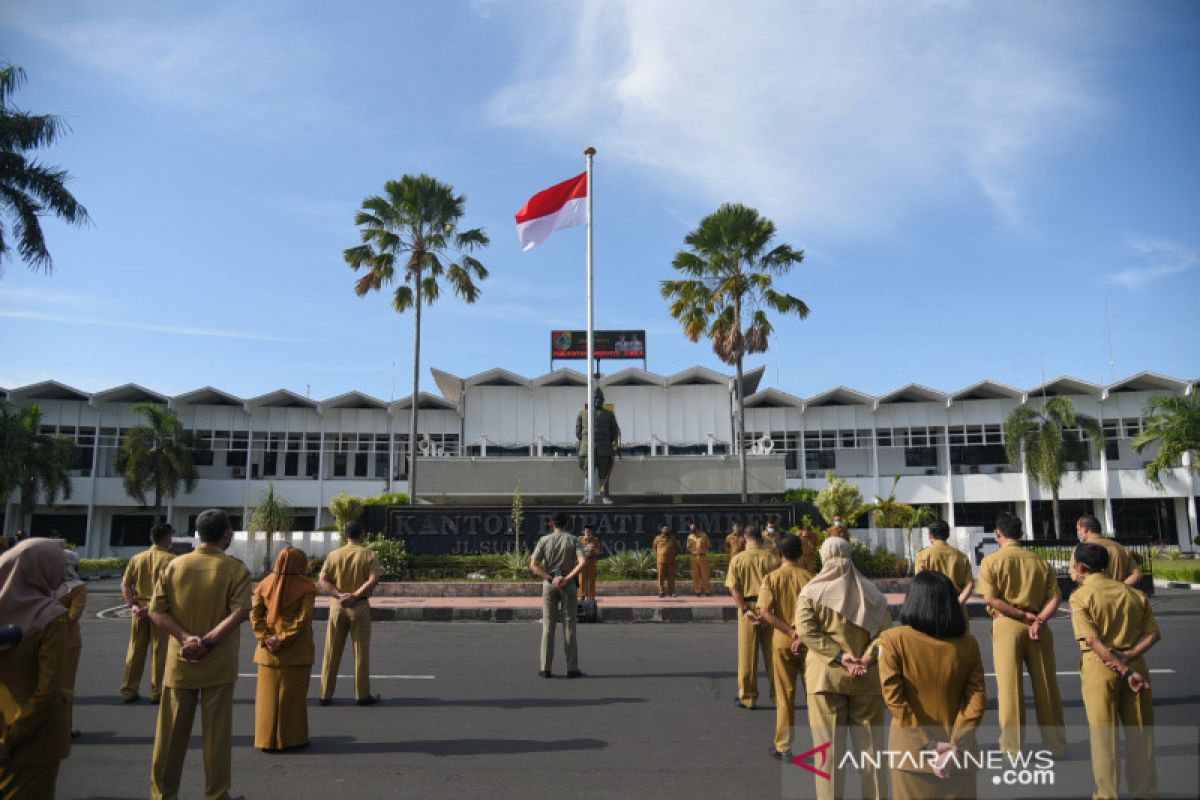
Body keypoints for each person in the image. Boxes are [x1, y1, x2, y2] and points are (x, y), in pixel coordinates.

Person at [148, 508, 252, 800]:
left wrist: (184, 638)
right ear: (227, 536)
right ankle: (217, 794)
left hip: (180, 660)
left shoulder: (174, 566)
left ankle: (162, 795)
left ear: (198, 534)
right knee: (216, 736)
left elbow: (156, 611)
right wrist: (206, 643)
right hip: (217, 662)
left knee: (169, 736)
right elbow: (240, 612)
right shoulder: (235, 569)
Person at [793, 536, 892, 800]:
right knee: (872, 754)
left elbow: (805, 630)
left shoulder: (811, 593)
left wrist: (840, 656)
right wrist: (866, 658)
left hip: (825, 680)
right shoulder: (873, 594)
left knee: (828, 755)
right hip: (867, 680)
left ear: (824, 557)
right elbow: (886, 636)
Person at [877, 571, 987, 800]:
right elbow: (976, 701)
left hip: (911, 755)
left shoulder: (892, 640)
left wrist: (928, 745)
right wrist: (956, 747)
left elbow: (895, 700)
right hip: (960, 757)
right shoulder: (968, 644)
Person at [1070, 542, 1159, 799]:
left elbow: (1092, 641)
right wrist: (1129, 658)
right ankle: (1146, 792)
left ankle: (1107, 795)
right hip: (1136, 663)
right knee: (1141, 735)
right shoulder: (1134, 594)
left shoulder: (1081, 596)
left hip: (1101, 666)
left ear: (1082, 567)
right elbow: (1154, 634)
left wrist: (1122, 669)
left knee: (1104, 738)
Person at [977, 512, 1066, 757]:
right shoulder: (1040, 562)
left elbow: (990, 598)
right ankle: (1056, 744)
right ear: (1022, 534)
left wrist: (1019, 615)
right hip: (1039, 626)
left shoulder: (991, 562)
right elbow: (1056, 597)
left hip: (1007, 623)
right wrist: (1038, 619)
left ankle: (1012, 747)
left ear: (998, 534)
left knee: (1010, 689)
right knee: (1047, 687)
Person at [0, 539, 71, 799]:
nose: (63, 572)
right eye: (58, 565)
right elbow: (47, 690)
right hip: (33, 738)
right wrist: (12, 738)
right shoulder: (51, 617)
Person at [251, 547, 317, 753]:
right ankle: (291, 739)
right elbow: (303, 619)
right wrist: (283, 639)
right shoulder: (306, 586)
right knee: (293, 697)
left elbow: (255, 615)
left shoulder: (263, 585)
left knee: (267, 699)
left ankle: (266, 739)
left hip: (268, 651)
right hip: (296, 650)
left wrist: (266, 638)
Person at [757, 534, 815, 759]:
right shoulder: (812, 578)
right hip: (810, 642)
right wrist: (802, 634)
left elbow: (765, 612)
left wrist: (791, 633)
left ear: (779, 555)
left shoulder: (772, 579)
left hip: (783, 641)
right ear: (801, 554)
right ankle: (822, 744)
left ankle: (784, 746)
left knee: (785, 696)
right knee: (814, 696)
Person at [317, 520, 382, 706]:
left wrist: (339, 594)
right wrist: (355, 595)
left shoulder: (334, 555)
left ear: (345, 535)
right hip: (359, 606)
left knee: (331, 650)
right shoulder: (369, 555)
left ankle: (325, 694)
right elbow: (373, 579)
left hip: (337, 605)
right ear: (362, 535)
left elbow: (322, 581)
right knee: (360, 651)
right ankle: (362, 695)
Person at [121, 522, 176, 704]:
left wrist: (133, 605)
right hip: (160, 609)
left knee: (135, 649)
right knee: (160, 651)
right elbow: (173, 589)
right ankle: (158, 691)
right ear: (167, 538)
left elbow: (126, 584)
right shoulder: (171, 560)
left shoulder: (137, 558)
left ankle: (129, 689)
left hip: (139, 608)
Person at [725, 526, 780, 710]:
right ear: (761, 539)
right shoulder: (772, 559)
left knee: (747, 655)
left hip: (748, 608)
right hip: (769, 609)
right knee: (773, 656)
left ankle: (748, 697)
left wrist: (745, 610)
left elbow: (734, 589)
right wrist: (769, 610)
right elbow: (777, 586)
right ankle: (779, 698)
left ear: (745, 539)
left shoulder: (737, 560)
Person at [529, 512, 586, 678]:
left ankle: (545, 668)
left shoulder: (544, 541)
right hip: (568, 586)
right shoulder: (574, 540)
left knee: (548, 627)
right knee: (569, 626)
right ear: (567, 523)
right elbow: (583, 562)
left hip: (550, 585)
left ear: (551, 524)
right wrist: (567, 578)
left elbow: (534, 566)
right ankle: (572, 668)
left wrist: (551, 578)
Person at [914, 519, 974, 627]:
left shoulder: (923, 555)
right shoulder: (961, 556)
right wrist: (957, 603)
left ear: (930, 535)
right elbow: (970, 584)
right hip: (957, 609)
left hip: (932, 608)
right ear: (947, 535)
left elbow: (920, 583)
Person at [55, 550, 86, 739]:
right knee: (65, 686)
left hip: (38, 639)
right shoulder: (77, 587)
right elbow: (74, 616)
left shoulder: (42, 585)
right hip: (68, 641)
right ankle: (63, 726)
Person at [576, 388, 621, 503]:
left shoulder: (609, 414)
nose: (597, 400)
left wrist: (608, 441)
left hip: (604, 448)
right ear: (590, 400)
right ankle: (586, 495)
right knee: (587, 473)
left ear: (603, 400)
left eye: (599, 398)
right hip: (587, 448)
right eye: (595, 398)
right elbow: (578, 433)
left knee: (604, 472)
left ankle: (605, 496)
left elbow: (614, 431)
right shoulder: (582, 414)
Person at [1072, 514, 1142, 586]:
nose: (1078, 532)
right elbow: (1137, 575)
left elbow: (1075, 577)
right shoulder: (1121, 548)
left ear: (1084, 529)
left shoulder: (1080, 550)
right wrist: (1120, 587)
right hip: (1118, 595)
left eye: (1078, 529)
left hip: (1091, 594)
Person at [652, 523, 679, 598]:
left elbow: (677, 549)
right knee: (660, 577)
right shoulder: (657, 538)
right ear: (661, 530)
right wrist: (657, 556)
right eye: (664, 529)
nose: (666, 530)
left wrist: (673, 556)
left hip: (671, 561)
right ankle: (661, 591)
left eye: (667, 529)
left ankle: (672, 592)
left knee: (671, 577)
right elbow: (654, 548)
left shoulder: (673, 538)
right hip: (660, 561)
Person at [686, 522, 713, 596]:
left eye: (693, 528)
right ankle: (697, 591)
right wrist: (691, 552)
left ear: (697, 528)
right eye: (691, 528)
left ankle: (707, 591)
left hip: (703, 556)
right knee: (696, 575)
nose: (691, 529)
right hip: (694, 557)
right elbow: (688, 547)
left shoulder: (704, 536)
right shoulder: (690, 537)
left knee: (705, 575)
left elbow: (708, 546)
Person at [578, 525, 601, 602]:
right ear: (584, 531)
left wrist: (593, 549)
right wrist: (584, 549)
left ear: (591, 531)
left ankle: (591, 596)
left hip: (591, 561)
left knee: (592, 579)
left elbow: (598, 551)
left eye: (589, 530)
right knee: (582, 579)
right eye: (586, 530)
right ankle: (581, 595)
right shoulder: (580, 539)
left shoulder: (595, 540)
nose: (587, 532)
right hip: (583, 561)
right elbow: (576, 550)